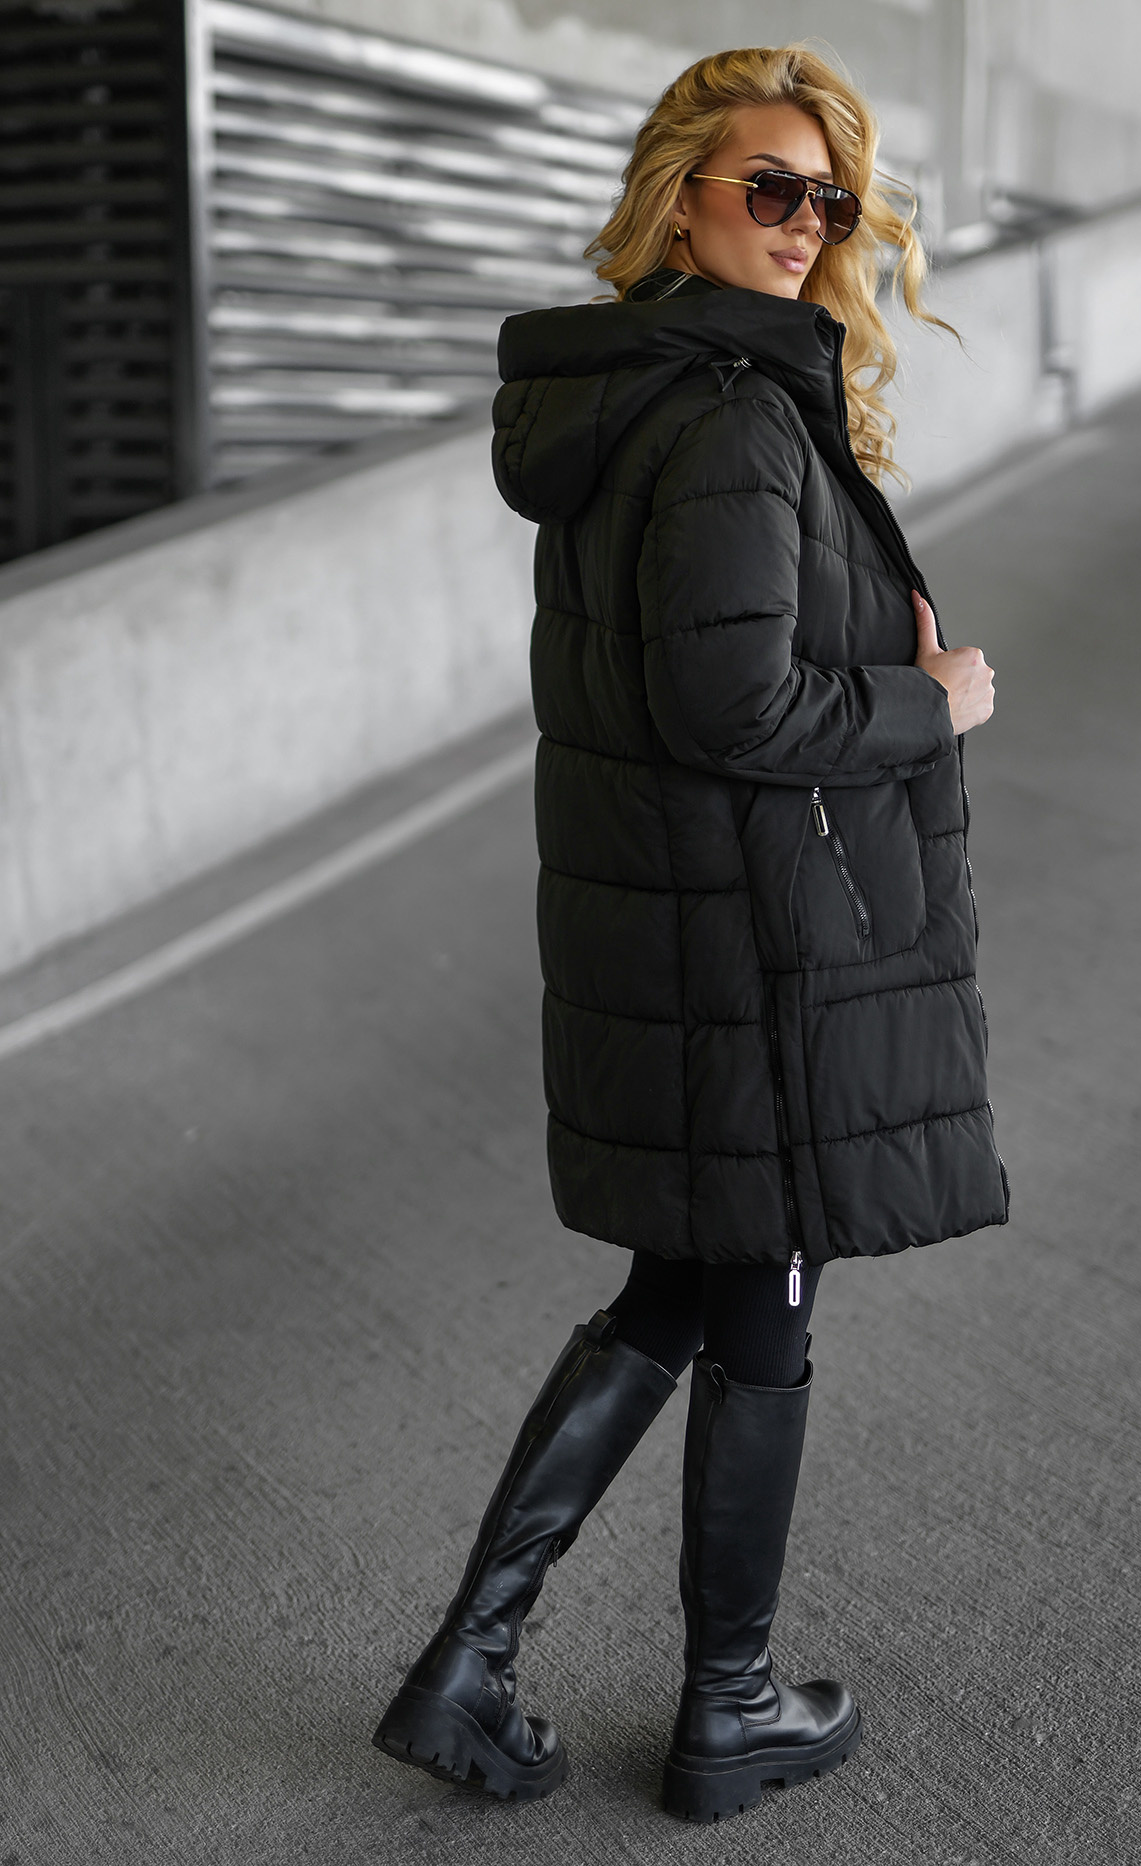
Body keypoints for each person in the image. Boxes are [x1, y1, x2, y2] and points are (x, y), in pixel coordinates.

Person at [372, 42, 1007, 1824]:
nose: (809, 226)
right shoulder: (729, 416)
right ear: (679, 204)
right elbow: (734, 702)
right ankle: (726, 1707)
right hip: (750, 946)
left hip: (680, 929)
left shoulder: (641, 394)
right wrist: (930, 698)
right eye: (771, 189)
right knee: (765, 1300)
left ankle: (469, 1661)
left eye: (832, 199)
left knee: (681, 1280)